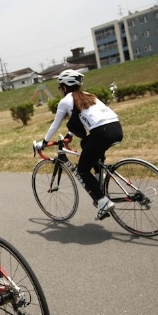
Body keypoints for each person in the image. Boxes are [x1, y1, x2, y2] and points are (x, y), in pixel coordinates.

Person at [34, 69, 123, 219]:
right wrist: (69, 135)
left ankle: (103, 201)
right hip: (116, 128)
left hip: (101, 132)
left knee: (82, 169)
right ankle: (99, 184)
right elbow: (84, 119)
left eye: (59, 88)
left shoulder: (65, 101)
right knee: (86, 144)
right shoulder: (88, 95)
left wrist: (43, 143)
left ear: (63, 87)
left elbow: (54, 126)